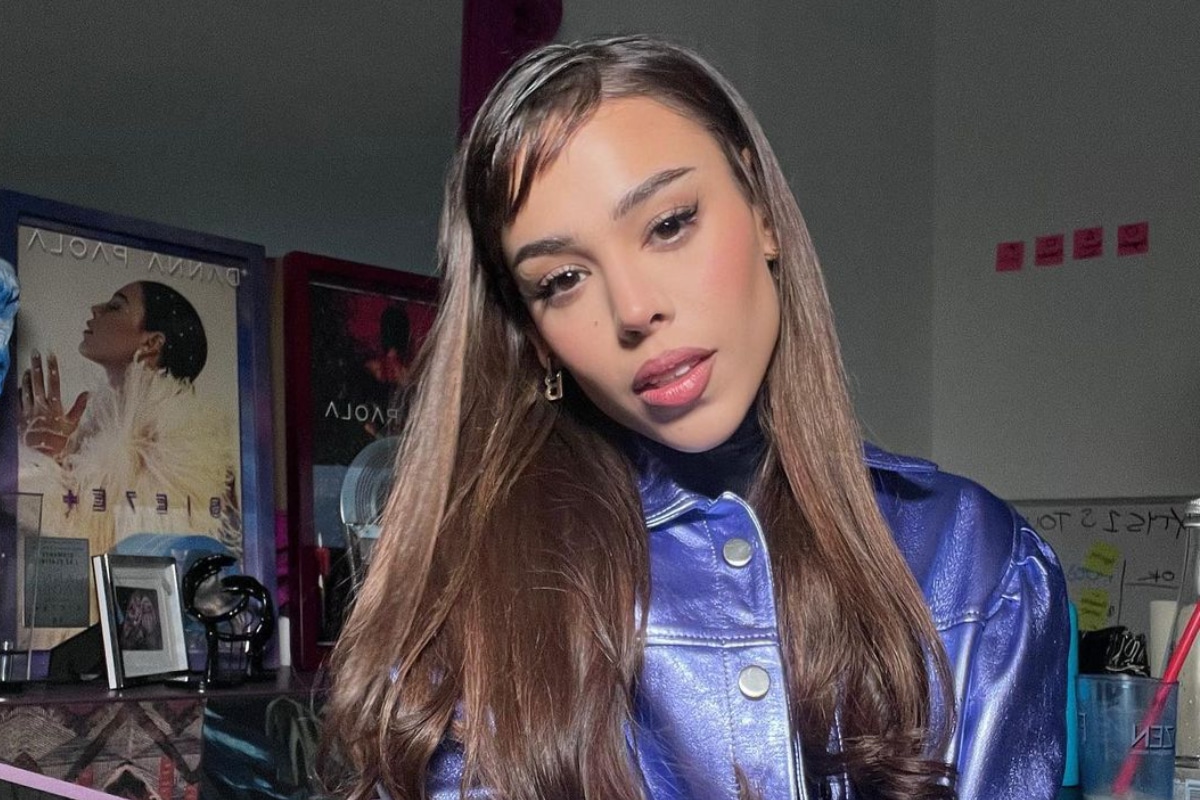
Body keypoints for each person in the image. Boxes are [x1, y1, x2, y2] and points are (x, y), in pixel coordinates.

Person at [324, 35, 1069, 800]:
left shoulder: (976, 563)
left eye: (670, 223)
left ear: (763, 211)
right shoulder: (468, 597)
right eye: (564, 279)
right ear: (535, 337)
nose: (634, 307)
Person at [18, 280, 239, 557]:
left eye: (115, 306)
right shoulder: (94, 434)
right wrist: (48, 460)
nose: (95, 309)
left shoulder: (171, 440)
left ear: (151, 343)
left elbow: (126, 566)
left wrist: (43, 467)